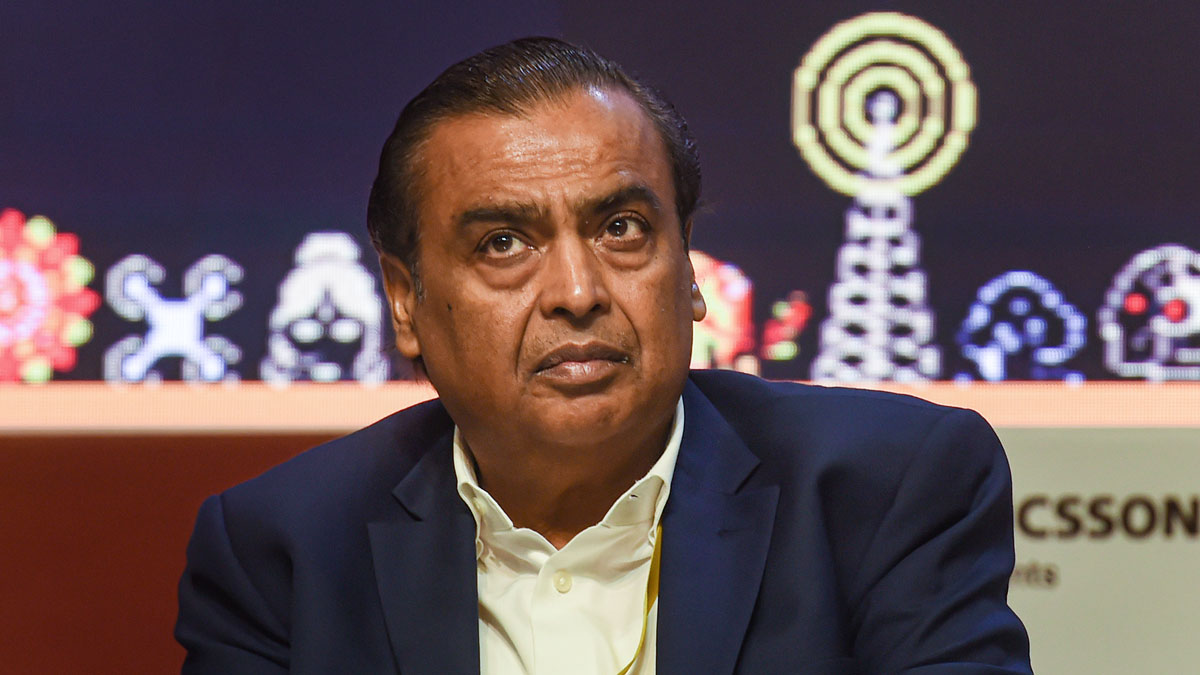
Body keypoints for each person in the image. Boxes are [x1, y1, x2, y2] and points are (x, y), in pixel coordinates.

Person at [176, 37, 1032, 674]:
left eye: (622, 228)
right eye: (504, 243)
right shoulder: (282, 553)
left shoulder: (886, 492)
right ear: (405, 301)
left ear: (687, 268)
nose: (578, 290)